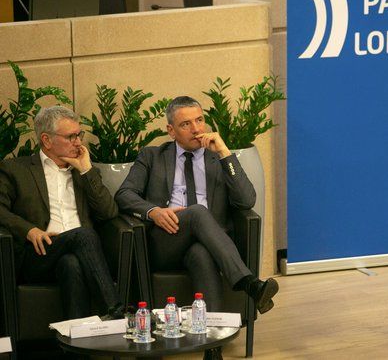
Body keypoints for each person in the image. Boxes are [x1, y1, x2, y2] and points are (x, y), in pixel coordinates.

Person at [115, 96, 278, 314]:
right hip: (166, 241)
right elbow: (124, 194)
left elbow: (247, 200)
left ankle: (213, 343)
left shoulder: (217, 158)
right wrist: (153, 212)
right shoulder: (152, 156)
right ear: (171, 131)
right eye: (186, 124)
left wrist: (224, 152)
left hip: (210, 243)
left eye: (200, 120)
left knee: (200, 253)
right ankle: (250, 284)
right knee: (197, 212)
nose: (196, 128)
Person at [0, 106, 124, 319]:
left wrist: (86, 171)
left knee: (71, 263)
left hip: (81, 255)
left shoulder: (85, 171)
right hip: (39, 254)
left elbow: (109, 212)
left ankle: (75, 346)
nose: (78, 142)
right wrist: (29, 230)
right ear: (46, 140)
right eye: (70, 137)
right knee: (82, 234)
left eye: (79, 135)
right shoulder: (16, 170)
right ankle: (115, 311)